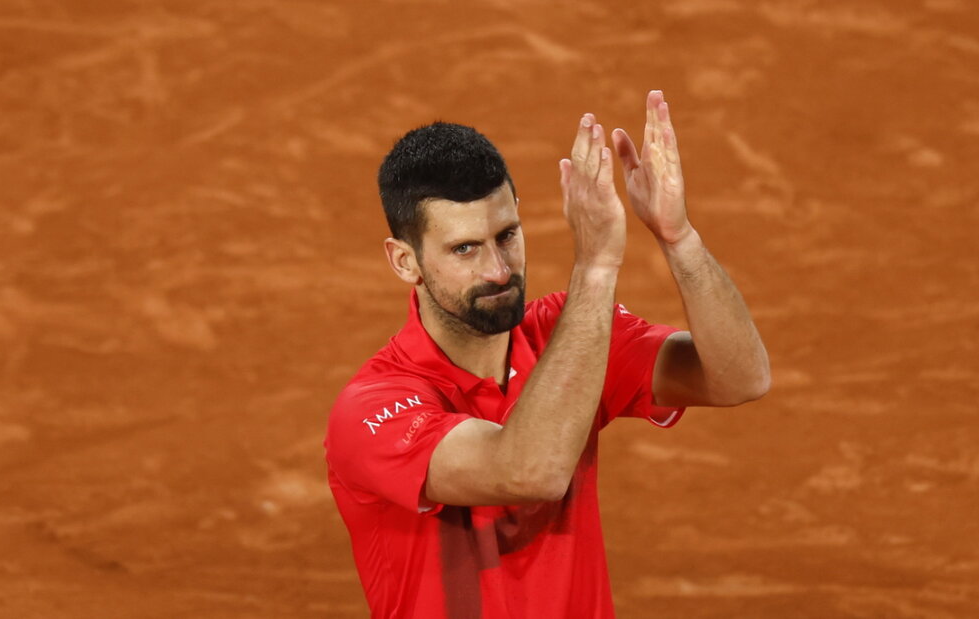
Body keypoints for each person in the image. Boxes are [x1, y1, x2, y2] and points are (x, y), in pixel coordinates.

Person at [324, 90, 770, 618]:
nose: (497, 269)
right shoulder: (371, 409)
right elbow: (529, 469)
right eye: (464, 248)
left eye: (506, 235)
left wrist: (679, 238)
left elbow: (740, 377)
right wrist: (596, 267)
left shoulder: (565, 331)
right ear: (405, 261)